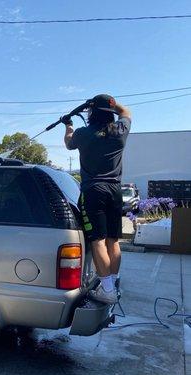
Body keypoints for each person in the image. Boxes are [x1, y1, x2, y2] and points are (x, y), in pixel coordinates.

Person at [63, 94, 132, 304]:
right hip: (114, 190)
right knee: (113, 241)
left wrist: (68, 124)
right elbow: (126, 112)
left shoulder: (83, 134)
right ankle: (113, 281)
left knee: (98, 242)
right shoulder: (119, 130)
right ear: (110, 114)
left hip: (94, 191)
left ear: (92, 112)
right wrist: (109, 104)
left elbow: (68, 142)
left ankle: (108, 290)